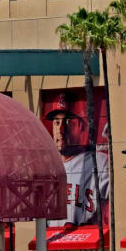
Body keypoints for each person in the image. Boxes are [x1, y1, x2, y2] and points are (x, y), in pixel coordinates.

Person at [45, 93, 110, 225]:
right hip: (53, 243)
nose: (60, 129)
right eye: (57, 122)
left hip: (88, 242)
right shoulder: (45, 168)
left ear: (81, 126)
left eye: (68, 122)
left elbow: (117, 206)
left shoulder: (99, 162)